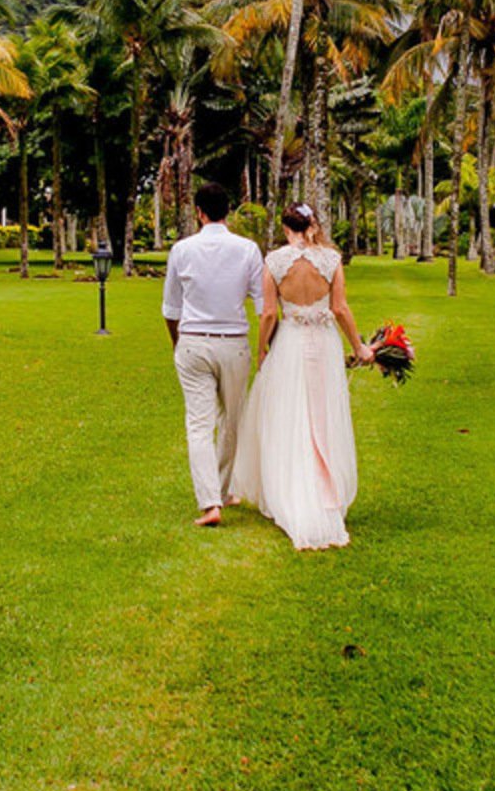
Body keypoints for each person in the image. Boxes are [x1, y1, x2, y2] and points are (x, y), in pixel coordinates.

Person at [230, 202, 374, 551]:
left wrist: (262, 348)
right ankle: (325, 491)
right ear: (312, 225)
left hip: (291, 343)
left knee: (291, 416)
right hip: (323, 345)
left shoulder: (275, 262)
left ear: (285, 228)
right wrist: (359, 346)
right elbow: (339, 308)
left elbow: (267, 314)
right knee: (322, 417)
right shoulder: (330, 260)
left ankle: (294, 490)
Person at [160, 181, 263, 528]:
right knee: (231, 420)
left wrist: (179, 343)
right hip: (233, 343)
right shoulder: (248, 250)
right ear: (228, 212)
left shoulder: (182, 250)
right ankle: (220, 491)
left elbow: (171, 308)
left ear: (199, 213)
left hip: (192, 340)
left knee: (199, 424)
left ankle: (211, 501)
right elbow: (263, 305)